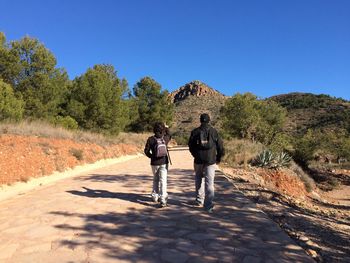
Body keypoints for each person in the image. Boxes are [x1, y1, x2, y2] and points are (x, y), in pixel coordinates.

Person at [188, 113, 224, 213]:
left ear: (200, 120)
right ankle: (208, 205)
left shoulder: (195, 132)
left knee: (198, 178)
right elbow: (220, 146)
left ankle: (199, 200)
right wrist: (218, 158)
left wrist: (195, 155)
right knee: (209, 183)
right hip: (210, 160)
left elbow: (190, 146)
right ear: (209, 120)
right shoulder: (214, 131)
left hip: (198, 160)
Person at [144, 122, 171, 208]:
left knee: (155, 179)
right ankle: (163, 199)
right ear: (162, 130)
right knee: (163, 180)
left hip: (154, 162)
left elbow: (146, 151)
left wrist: (152, 156)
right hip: (164, 162)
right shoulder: (165, 138)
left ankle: (155, 196)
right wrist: (166, 127)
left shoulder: (151, 139)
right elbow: (169, 134)